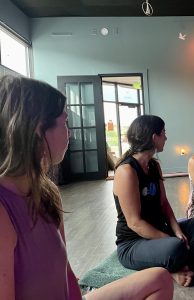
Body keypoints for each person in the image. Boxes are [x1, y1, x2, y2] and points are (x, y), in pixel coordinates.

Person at [0, 75, 173, 300]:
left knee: (159, 279)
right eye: (64, 123)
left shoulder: (46, 192)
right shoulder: (4, 209)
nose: (70, 132)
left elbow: (65, 271)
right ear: (37, 130)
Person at [113, 115, 194, 287]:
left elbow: (164, 203)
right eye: (164, 133)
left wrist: (177, 231)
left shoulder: (154, 166)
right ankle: (176, 268)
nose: (166, 137)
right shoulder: (126, 171)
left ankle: (179, 265)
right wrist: (170, 240)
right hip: (133, 243)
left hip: (162, 231)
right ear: (154, 137)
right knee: (175, 248)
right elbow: (135, 223)